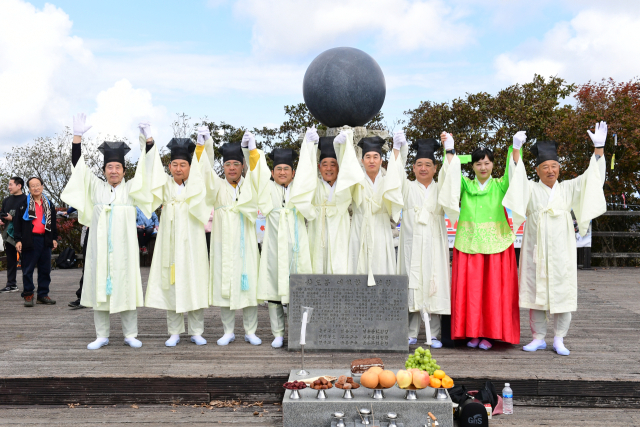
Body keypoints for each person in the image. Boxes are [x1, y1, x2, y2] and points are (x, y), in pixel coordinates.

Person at [503, 123, 607, 356]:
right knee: (536, 293)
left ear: (559, 168)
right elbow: (516, 180)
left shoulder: (568, 188)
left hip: (562, 250)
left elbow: (592, 179)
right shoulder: (529, 188)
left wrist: (598, 148)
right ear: (538, 171)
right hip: (536, 248)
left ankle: (559, 338)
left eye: (554, 166)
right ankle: (538, 338)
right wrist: (516, 149)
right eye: (545, 167)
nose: (551, 171)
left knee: (562, 291)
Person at [61, 113, 158, 350]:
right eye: (109, 167)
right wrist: (77, 137)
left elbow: (148, 169)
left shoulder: (132, 188)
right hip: (100, 249)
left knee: (126, 288)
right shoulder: (95, 187)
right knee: (98, 288)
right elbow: (78, 168)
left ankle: (130, 334)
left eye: (117, 167)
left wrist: (149, 140)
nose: (113, 171)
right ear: (104, 170)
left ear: (124, 170)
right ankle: (101, 335)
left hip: (125, 250)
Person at [439, 132, 522, 350]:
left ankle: (491, 334)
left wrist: (516, 148)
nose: (483, 167)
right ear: (473, 167)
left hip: (497, 245)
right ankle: (472, 333)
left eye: (487, 163)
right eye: (478, 164)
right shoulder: (466, 186)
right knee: (472, 293)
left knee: (493, 293)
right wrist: (449, 149)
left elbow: (514, 175)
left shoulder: (500, 185)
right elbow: (451, 176)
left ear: (493, 165)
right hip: (469, 244)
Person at [392, 132, 461, 347]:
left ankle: (434, 334)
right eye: (419, 164)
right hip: (411, 243)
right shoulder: (407, 187)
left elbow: (452, 178)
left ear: (435, 168)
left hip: (434, 242)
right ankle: (411, 332)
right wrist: (398, 149)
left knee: (434, 280)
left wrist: (449, 148)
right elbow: (394, 176)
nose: (423, 168)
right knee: (412, 282)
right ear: (413, 168)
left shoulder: (441, 187)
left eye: (428, 164)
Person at [143, 134, 211, 347]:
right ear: (170, 166)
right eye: (175, 164)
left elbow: (204, 169)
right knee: (171, 282)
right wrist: (149, 146)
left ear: (190, 167)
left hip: (193, 240)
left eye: (183, 164)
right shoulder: (164, 185)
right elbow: (150, 173)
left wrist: (201, 146)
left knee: (194, 280)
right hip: (169, 241)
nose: (179, 168)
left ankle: (197, 330)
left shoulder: (196, 185)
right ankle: (174, 331)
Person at [251, 128, 317, 348]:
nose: (282, 172)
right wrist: (251, 150)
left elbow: (309, 174)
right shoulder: (267, 188)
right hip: (273, 247)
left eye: (286, 169)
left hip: (297, 247)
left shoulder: (299, 189)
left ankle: (300, 331)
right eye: (278, 169)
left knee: (299, 288)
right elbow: (256, 173)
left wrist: (309, 145)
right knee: (273, 289)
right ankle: (278, 333)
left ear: (293, 171)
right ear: (272, 171)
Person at [196, 127, 262, 346]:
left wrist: (251, 151)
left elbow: (258, 174)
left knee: (249, 283)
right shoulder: (217, 186)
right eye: (227, 164)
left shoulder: (249, 185)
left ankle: (250, 331)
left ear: (242, 166)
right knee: (225, 282)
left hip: (247, 244)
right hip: (223, 243)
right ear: (223, 167)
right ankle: (228, 331)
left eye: (236, 164)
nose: (232, 168)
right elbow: (203, 172)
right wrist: (202, 147)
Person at [347, 136, 403, 286]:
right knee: (359, 271)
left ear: (381, 161)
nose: (371, 161)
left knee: (382, 270)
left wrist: (397, 150)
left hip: (382, 231)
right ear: (362, 160)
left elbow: (397, 174)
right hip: (359, 231)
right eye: (368, 157)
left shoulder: (387, 181)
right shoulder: (356, 182)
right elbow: (345, 168)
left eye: (375, 157)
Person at [307, 128, 363, 274]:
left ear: (339, 168)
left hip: (341, 231)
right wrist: (309, 146)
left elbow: (350, 170)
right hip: (317, 230)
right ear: (319, 167)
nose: (329, 168)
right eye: (325, 164)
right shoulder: (314, 185)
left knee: (341, 265)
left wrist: (344, 146)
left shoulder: (344, 186)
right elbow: (307, 171)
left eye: (333, 164)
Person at [13, 177, 58, 307]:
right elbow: (17, 224)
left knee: (45, 269)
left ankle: (43, 295)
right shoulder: (23, 204)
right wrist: (18, 240)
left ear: (42, 186)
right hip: (30, 239)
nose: (36, 188)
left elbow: (53, 223)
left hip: (45, 239)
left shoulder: (49, 203)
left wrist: (54, 238)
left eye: (38, 185)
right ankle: (28, 294)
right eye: (32, 186)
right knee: (28, 269)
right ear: (29, 189)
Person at [0, 177, 27, 293]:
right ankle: (11, 284)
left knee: (26, 260)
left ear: (19, 185)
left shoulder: (27, 200)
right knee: (11, 259)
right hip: (9, 233)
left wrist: (13, 218)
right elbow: (2, 213)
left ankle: (28, 285)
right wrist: (2, 220)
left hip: (23, 233)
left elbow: (29, 218)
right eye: (9, 185)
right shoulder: (6, 200)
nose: (9, 187)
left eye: (11, 184)